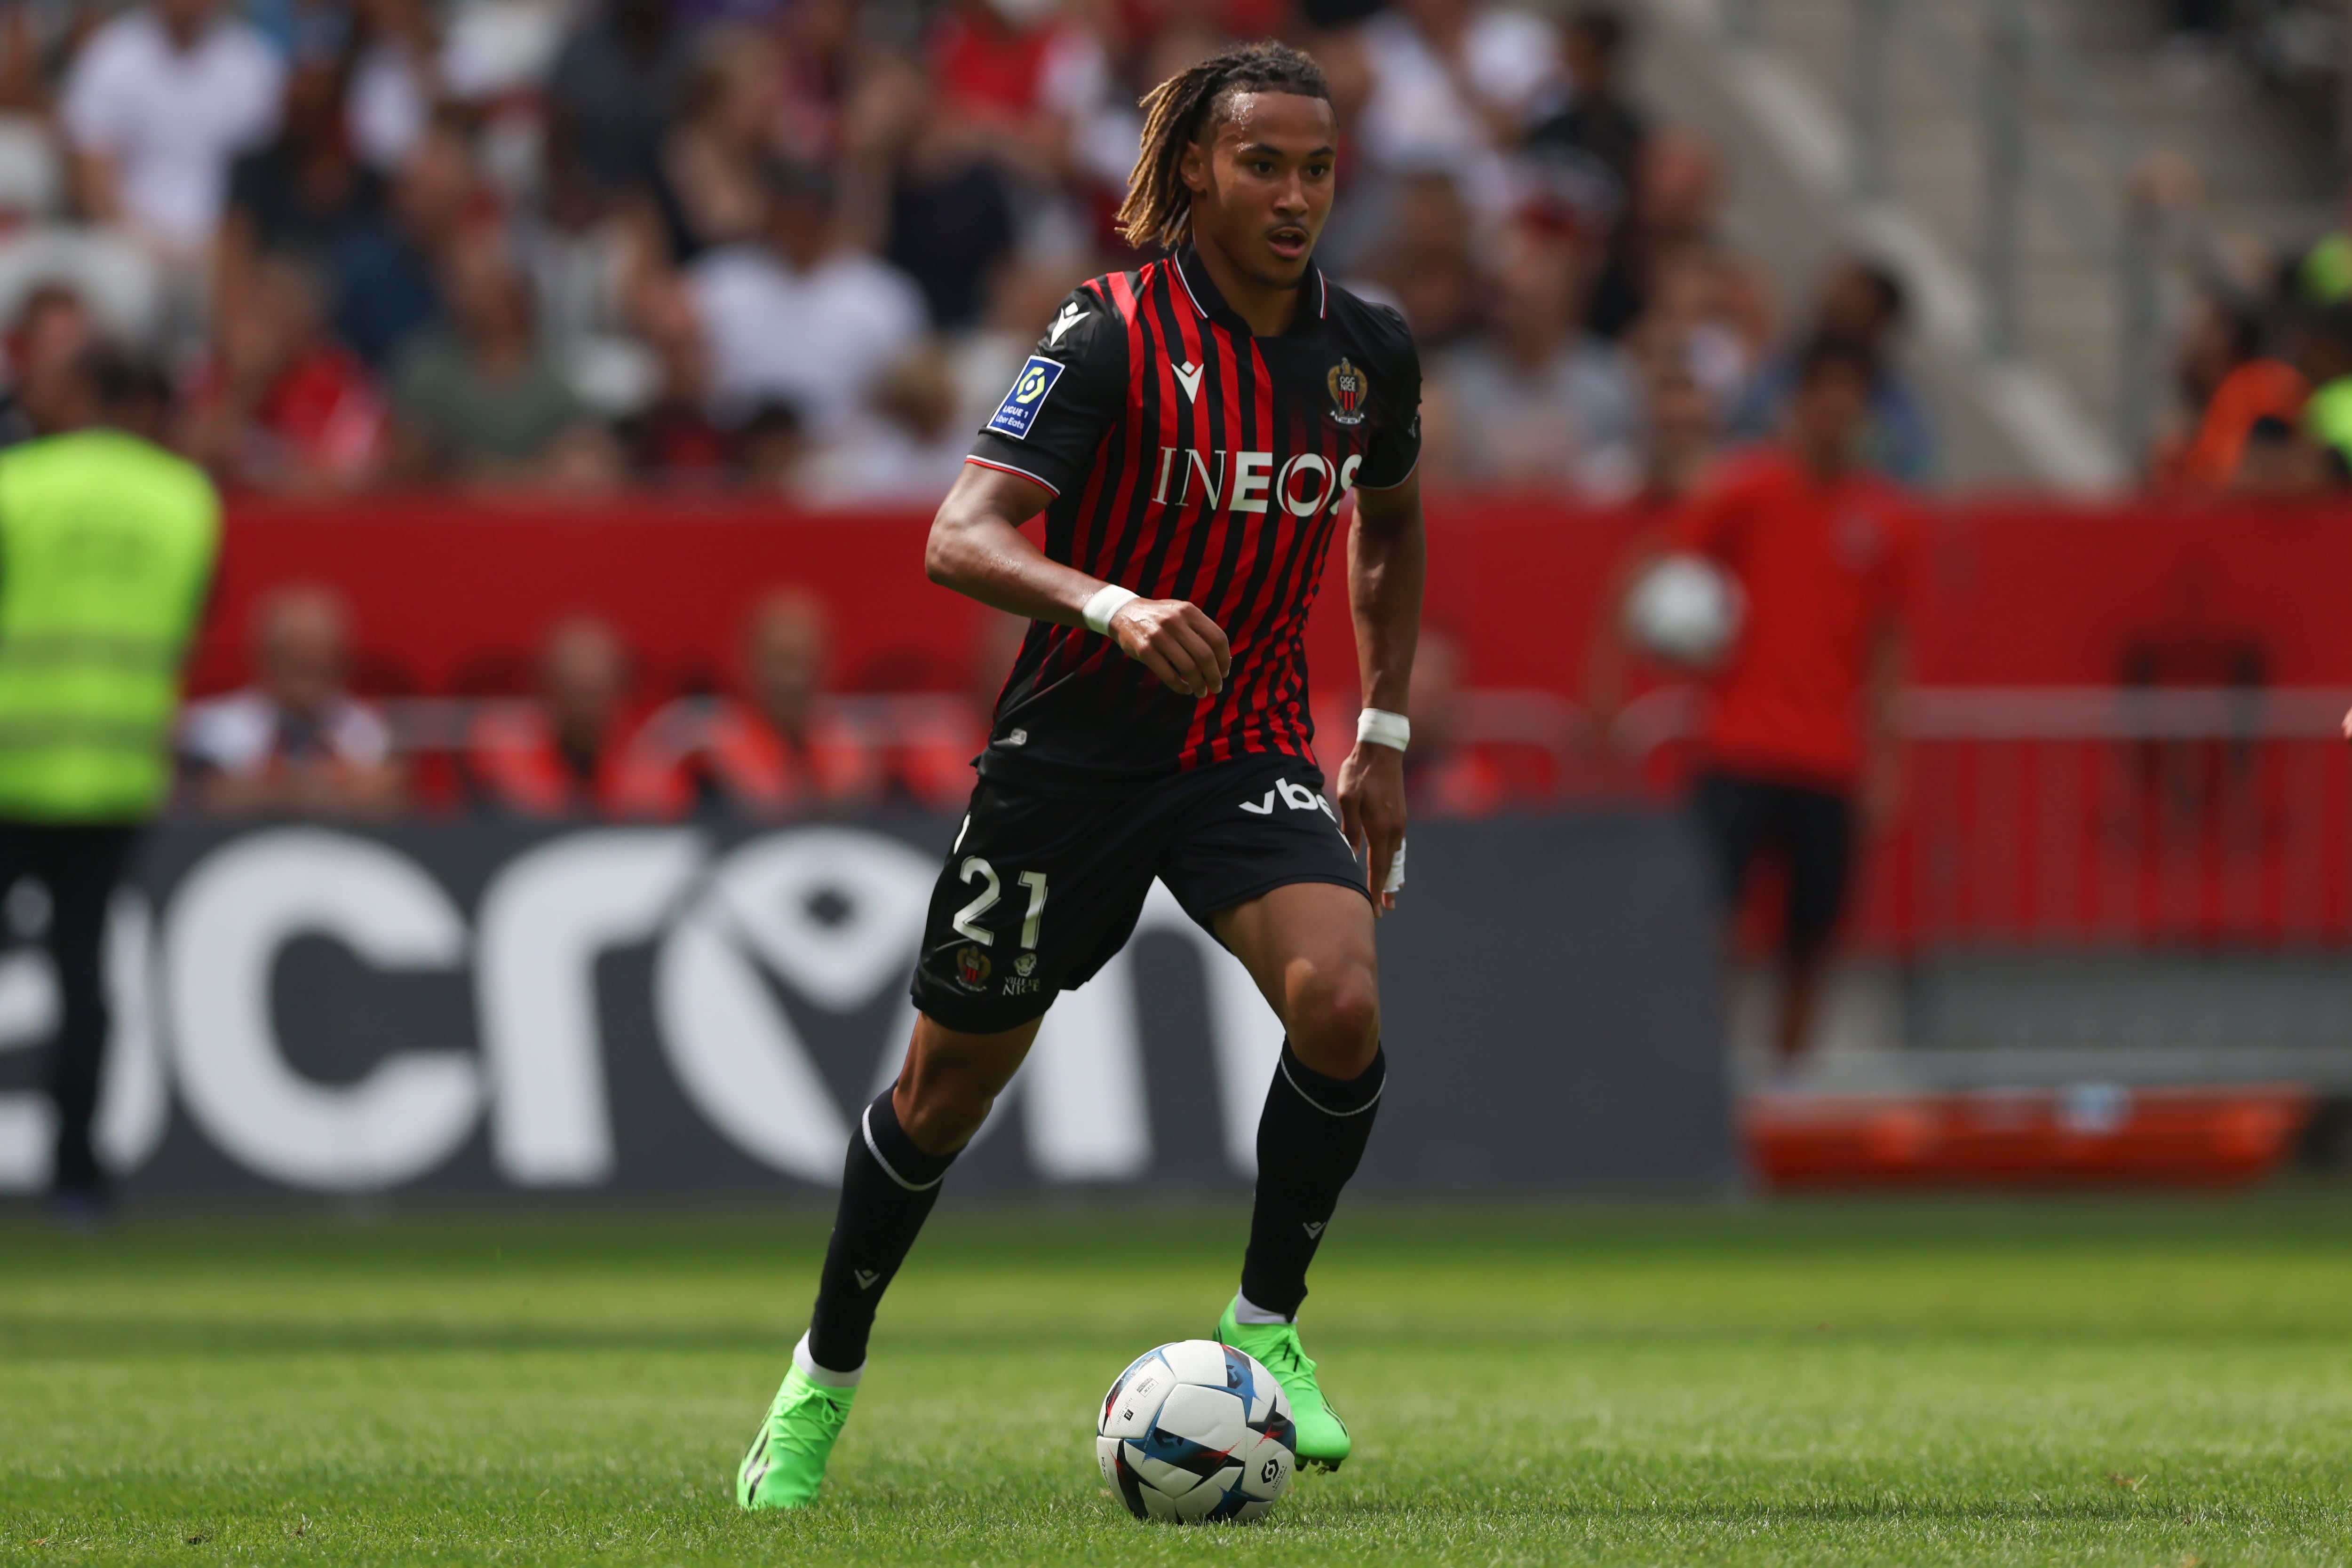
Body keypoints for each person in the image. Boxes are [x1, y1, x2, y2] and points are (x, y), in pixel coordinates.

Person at [734, 40, 1424, 1509]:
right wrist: (1111, 604)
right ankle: (819, 1377)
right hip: (1071, 762)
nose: (1293, 194)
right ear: (1195, 170)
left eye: (1314, 167)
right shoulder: (1108, 331)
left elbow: (1391, 524)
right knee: (938, 1099)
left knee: (1342, 997)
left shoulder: (1366, 349)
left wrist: (1382, 731)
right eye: (1260, 164)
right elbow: (960, 534)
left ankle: (1266, 1326)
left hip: (1240, 742)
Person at [1589, 336, 1919, 1073]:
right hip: (1740, 747)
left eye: (1850, 400)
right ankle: (1710, 1073)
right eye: (1822, 397)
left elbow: (1889, 643)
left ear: (1864, 412)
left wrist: (1889, 761)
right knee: (1714, 925)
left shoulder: (1885, 517)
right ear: (1798, 405)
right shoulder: (1748, 490)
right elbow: (1649, 563)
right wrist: (1608, 681)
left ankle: (1791, 1081)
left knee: (1812, 938)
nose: (1835, 414)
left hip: (1831, 760)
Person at [0, 345, 220, 1217]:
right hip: (120, 773)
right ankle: (79, 1179)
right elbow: (191, 622)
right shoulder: (186, 499)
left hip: (10, 766)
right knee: (85, 975)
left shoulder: (19, 484)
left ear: (89, 390)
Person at [616, 589, 877, 815]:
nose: (792, 681)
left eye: (804, 662)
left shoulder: (858, 746)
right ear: (744, 661)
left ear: (831, 663)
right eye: (779, 662)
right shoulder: (696, 748)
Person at [181, 583, 405, 816]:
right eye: (293, 659)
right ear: (263, 657)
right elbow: (216, 796)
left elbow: (388, 796)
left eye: (319, 660)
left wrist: (273, 789)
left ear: (342, 662)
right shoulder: (214, 727)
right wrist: (328, 788)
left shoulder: (372, 730)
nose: (307, 677)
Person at [466, 615, 637, 816]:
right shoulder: (504, 749)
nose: (585, 708)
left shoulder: (645, 764)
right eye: (574, 690)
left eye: (595, 691)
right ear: (546, 686)